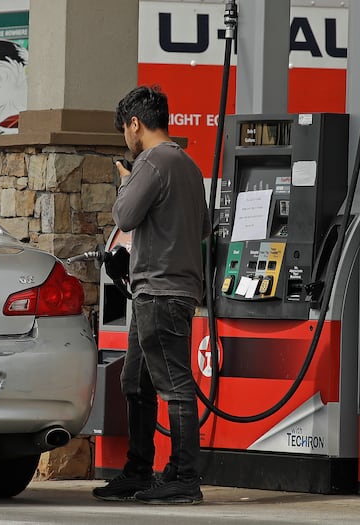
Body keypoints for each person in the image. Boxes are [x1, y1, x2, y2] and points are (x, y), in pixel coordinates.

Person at [92, 85, 210, 505]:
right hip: (167, 290)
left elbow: (124, 216)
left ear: (135, 124)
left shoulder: (151, 163)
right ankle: (139, 470)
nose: (125, 137)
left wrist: (126, 183)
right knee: (135, 381)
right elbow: (203, 229)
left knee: (173, 385)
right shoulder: (189, 166)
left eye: (124, 128)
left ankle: (183, 476)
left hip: (160, 291)